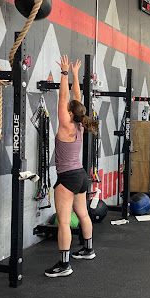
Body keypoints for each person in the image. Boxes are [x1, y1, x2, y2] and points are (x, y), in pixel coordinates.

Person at [45, 55, 100, 278]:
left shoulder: (66, 124)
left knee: (65, 222)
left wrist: (65, 73)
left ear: (68, 113)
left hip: (67, 178)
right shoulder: (80, 123)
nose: (65, 107)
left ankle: (64, 264)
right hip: (81, 176)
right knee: (83, 215)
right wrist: (76, 75)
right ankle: (88, 249)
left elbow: (63, 97)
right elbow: (77, 99)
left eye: (67, 108)